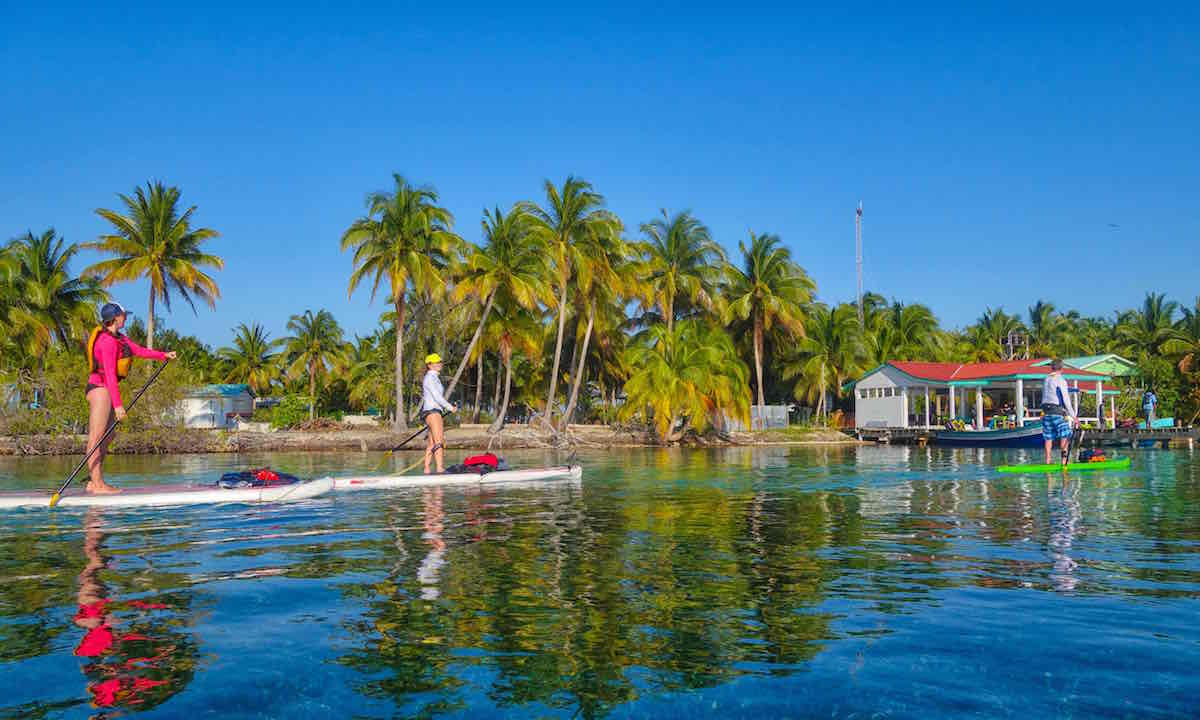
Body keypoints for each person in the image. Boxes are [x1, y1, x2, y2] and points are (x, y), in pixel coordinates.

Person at [85, 303, 175, 494]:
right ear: (115, 317)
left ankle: (94, 481)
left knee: (109, 436)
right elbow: (109, 374)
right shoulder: (107, 342)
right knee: (97, 436)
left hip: (107, 388)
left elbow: (140, 350)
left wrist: (163, 355)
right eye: (124, 315)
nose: (126, 318)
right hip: (100, 387)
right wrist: (118, 406)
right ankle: (98, 484)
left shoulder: (120, 339)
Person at [420, 353, 457, 474]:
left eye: (439, 362)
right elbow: (437, 397)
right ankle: (440, 468)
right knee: (439, 441)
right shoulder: (430, 378)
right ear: (429, 365)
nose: (439, 364)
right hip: (433, 412)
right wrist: (450, 407)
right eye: (435, 362)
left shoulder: (434, 377)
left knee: (431, 443)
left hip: (432, 412)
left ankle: (426, 470)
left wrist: (446, 407)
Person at [1040, 358, 1078, 466]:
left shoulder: (1046, 379)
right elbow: (1066, 400)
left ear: (1052, 368)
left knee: (1048, 437)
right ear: (1062, 368)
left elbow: (1052, 392)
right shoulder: (1061, 380)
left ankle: (1047, 461)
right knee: (1065, 435)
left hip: (1046, 412)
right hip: (1057, 411)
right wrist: (1074, 417)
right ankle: (1064, 461)